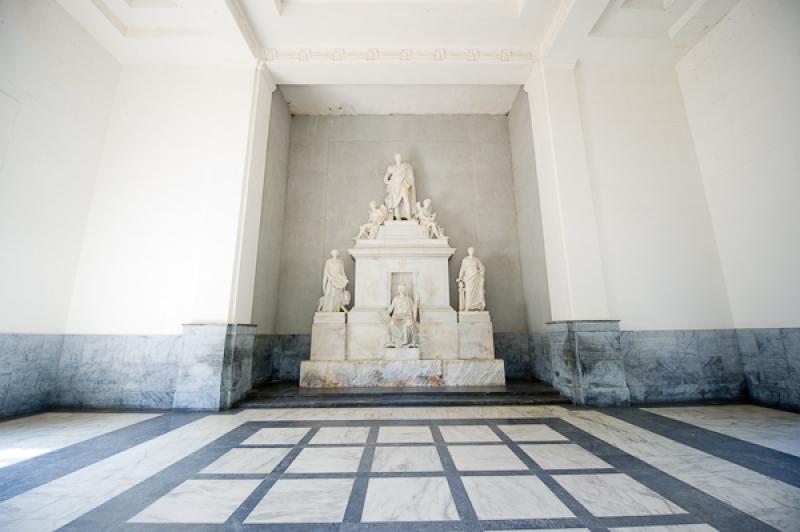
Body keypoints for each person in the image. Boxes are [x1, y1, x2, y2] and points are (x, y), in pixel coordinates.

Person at [383, 154, 416, 220]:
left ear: (401, 158)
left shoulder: (405, 166)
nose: (398, 158)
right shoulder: (391, 168)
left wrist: (409, 183)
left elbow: (410, 177)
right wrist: (390, 182)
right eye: (397, 157)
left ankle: (408, 217)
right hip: (394, 186)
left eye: (399, 157)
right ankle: (398, 218)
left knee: (406, 199)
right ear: (395, 159)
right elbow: (385, 178)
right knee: (396, 203)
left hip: (403, 185)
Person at [457, 247, 486, 311]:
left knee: (477, 293)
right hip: (469, 279)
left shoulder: (476, 260)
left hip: (476, 278)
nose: (471, 252)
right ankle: (469, 306)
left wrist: (480, 273)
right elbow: (462, 269)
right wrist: (460, 278)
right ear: (468, 251)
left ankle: (477, 306)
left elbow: (482, 268)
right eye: (470, 250)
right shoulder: (465, 260)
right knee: (469, 292)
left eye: (473, 250)